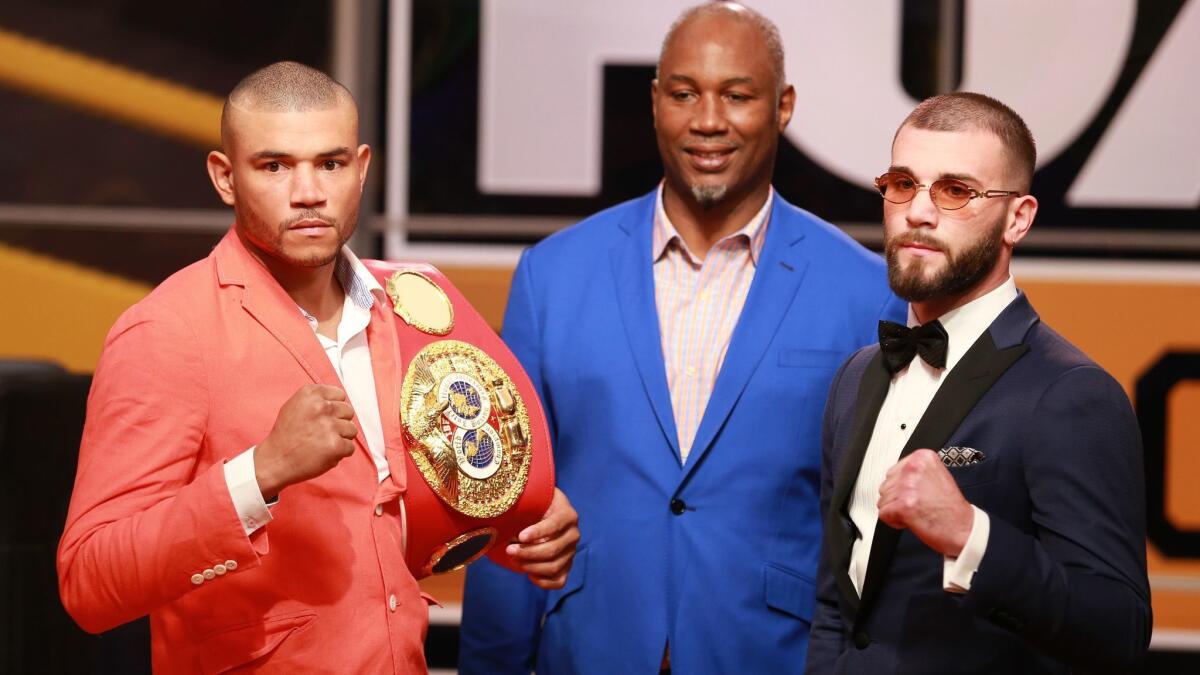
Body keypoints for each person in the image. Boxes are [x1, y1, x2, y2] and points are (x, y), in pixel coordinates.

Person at [57, 61, 578, 674]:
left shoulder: (403, 303)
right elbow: (90, 582)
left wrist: (517, 530)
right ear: (225, 177)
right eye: (274, 166)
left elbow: (394, 514)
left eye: (329, 164)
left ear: (361, 167)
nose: (307, 192)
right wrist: (259, 472)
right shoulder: (169, 331)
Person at [459, 4, 904, 673]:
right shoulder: (552, 274)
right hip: (589, 647)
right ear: (655, 101)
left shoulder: (865, 291)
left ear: (783, 107)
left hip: (772, 655)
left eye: (737, 95)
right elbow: (506, 499)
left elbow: (881, 533)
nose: (707, 120)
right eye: (685, 93)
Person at [805, 92, 1152, 673]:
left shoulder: (1071, 394)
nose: (918, 211)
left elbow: (1118, 630)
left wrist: (971, 535)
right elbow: (836, 604)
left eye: (955, 190)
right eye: (902, 183)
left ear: (1018, 217)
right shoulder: (856, 376)